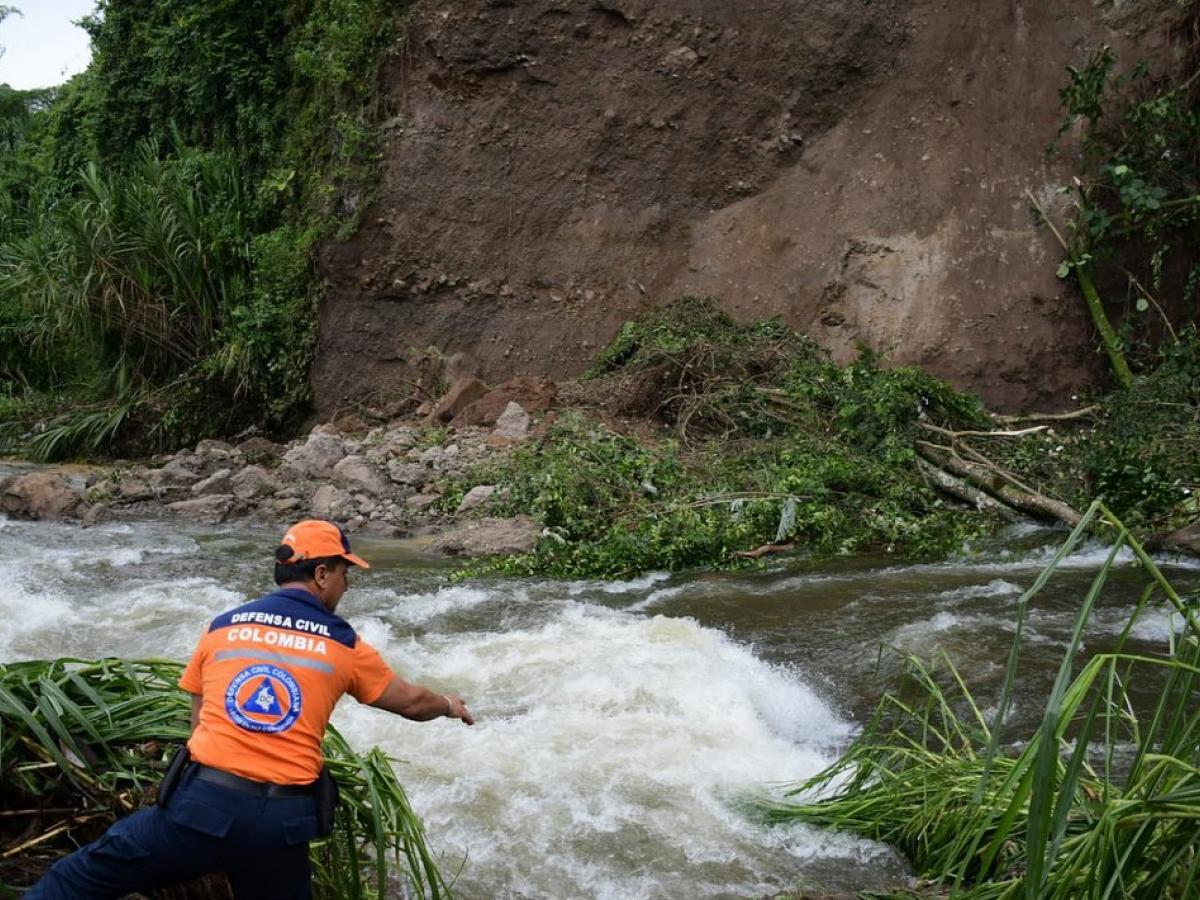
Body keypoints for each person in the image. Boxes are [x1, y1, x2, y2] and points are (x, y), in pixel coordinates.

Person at [26, 519, 474, 899]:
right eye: (344, 572)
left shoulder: (222, 627)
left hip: (199, 809)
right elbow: (411, 703)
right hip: (279, 828)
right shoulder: (343, 643)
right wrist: (450, 705)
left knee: (75, 879)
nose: (347, 583)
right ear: (321, 574)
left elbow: (198, 724)